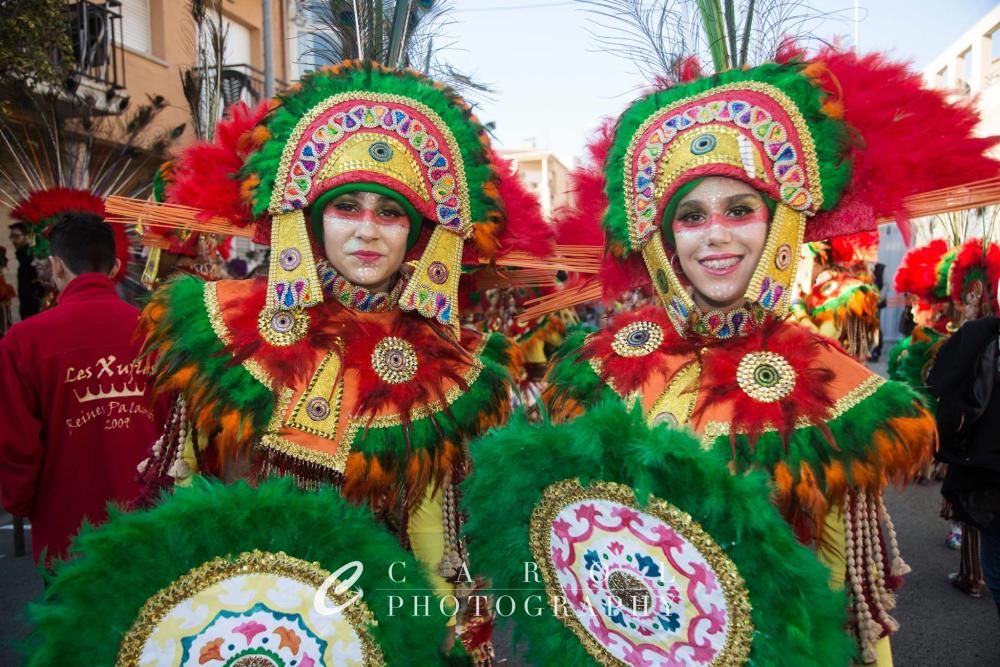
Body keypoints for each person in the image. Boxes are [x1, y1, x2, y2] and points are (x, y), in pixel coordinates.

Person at [542, 45, 998, 664]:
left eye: (740, 209)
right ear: (666, 238)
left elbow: (847, 597)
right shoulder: (605, 367)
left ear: (778, 221)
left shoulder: (829, 385)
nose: (717, 235)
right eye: (692, 215)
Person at [123, 63, 550, 663]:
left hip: (369, 631)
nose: (368, 231)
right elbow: (180, 489)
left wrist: (439, 629)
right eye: (348, 205)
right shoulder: (220, 326)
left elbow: (431, 535)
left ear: (418, 234)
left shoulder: (446, 364)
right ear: (310, 214)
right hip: (230, 628)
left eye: (392, 212)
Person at [0, 213, 160, 565]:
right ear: (116, 265)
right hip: (152, 522)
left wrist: (22, 503)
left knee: (70, 615)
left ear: (56, 265)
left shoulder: (23, 342)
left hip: (67, 527)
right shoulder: (156, 333)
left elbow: (16, 446)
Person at [928, 309, 1000, 620]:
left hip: (986, 468)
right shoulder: (981, 336)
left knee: (995, 561)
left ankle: (972, 575)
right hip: (986, 468)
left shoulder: (981, 336)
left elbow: (938, 382)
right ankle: (972, 574)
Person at [8, 221, 42, 320]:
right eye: (11, 236)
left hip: (35, 313)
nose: (13, 240)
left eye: (16, 236)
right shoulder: (23, 257)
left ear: (27, 236)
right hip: (27, 312)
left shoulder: (34, 258)